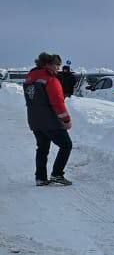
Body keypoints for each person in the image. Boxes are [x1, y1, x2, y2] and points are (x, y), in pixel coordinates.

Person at [23, 52, 73, 186]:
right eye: (56, 65)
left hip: (34, 120)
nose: (58, 68)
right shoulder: (50, 79)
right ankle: (57, 174)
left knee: (42, 148)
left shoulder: (29, 78)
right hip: (50, 121)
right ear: (48, 64)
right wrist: (66, 120)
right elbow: (57, 102)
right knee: (66, 145)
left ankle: (40, 177)